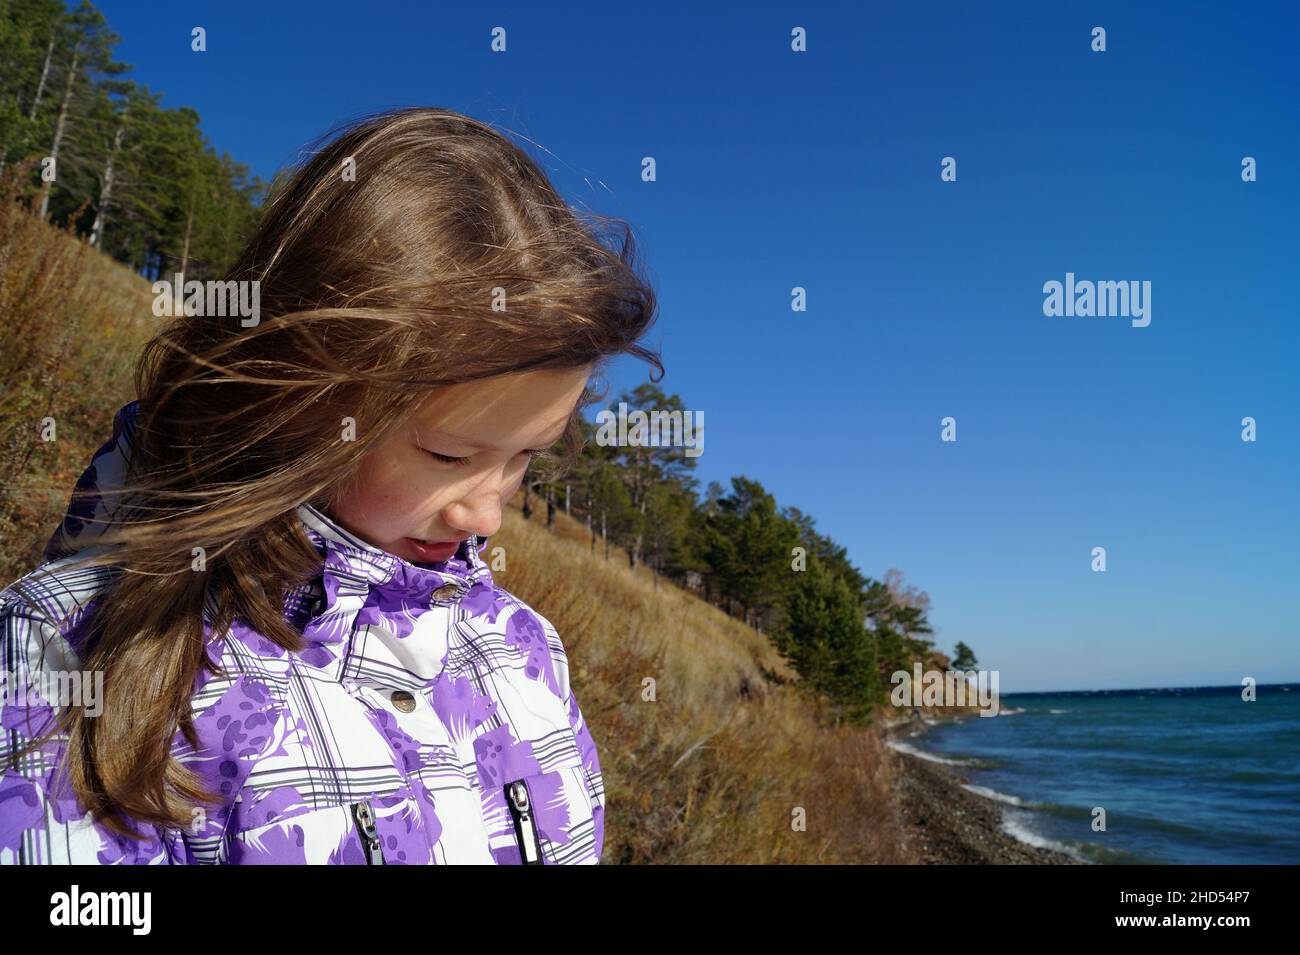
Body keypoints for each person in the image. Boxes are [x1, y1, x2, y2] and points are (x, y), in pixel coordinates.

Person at [0, 106, 660, 864]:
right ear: (299, 394)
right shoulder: (64, 656)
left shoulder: (524, 648)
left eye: (524, 458)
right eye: (448, 455)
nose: (487, 515)